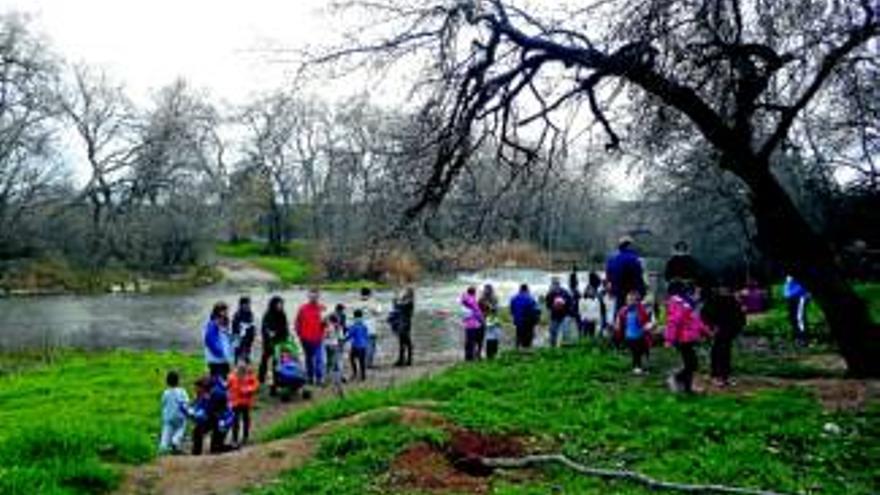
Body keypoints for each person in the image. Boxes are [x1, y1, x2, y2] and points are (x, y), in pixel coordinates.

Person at [664, 281, 710, 393]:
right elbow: (674, 322)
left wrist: (706, 332)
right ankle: (676, 378)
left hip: (689, 338)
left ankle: (687, 388)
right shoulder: (678, 303)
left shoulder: (687, 304)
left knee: (691, 364)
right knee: (691, 364)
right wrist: (670, 339)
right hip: (682, 339)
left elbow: (695, 321)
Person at [702, 283, 746, 387]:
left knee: (726, 352)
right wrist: (711, 327)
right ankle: (715, 376)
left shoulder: (733, 300)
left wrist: (739, 325)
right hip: (718, 330)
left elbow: (739, 315)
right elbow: (705, 315)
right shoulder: (713, 299)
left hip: (729, 330)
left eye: (726, 288)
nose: (724, 290)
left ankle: (725, 376)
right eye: (722, 288)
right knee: (717, 351)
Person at [186, 375, 233, 455]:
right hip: (211, 418)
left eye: (197, 388)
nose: (195, 390)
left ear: (202, 387)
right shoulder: (202, 395)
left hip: (221, 420)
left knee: (215, 449)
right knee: (197, 431)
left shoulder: (216, 394)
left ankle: (229, 446)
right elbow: (198, 406)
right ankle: (196, 452)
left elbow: (217, 409)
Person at [605, 236, 646, 316]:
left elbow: (609, 278)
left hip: (618, 293)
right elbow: (638, 276)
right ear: (629, 245)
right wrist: (642, 291)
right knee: (633, 315)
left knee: (619, 314)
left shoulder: (612, 259)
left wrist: (611, 291)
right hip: (632, 293)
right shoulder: (634, 259)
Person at [615, 290, 652, 374]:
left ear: (637, 301)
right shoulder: (623, 310)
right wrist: (618, 328)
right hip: (629, 336)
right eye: (628, 300)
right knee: (635, 352)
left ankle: (639, 365)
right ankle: (636, 366)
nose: (630, 301)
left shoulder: (641, 310)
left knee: (639, 351)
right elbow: (619, 321)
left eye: (633, 300)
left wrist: (648, 326)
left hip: (639, 335)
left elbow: (646, 320)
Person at [295, 289, 326, 385]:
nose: (314, 298)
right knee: (308, 359)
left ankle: (319, 378)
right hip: (305, 338)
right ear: (308, 297)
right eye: (312, 296)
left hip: (318, 338)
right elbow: (297, 322)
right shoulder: (302, 308)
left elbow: (326, 324)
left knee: (318, 359)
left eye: (316, 296)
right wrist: (299, 334)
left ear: (318, 297)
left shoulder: (322, 308)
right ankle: (310, 377)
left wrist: (325, 326)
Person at [227, 362, 259, 446]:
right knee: (235, 421)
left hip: (245, 403)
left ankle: (245, 437)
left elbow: (255, 386)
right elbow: (227, 387)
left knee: (246, 420)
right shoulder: (232, 377)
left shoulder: (250, 377)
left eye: (243, 372)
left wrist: (247, 390)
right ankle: (234, 439)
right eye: (239, 371)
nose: (241, 374)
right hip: (235, 403)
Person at [259, 296, 288, 384]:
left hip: (279, 342)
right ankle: (261, 378)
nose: (280, 306)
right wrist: (269, 336)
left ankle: (276, 380)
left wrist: (284, 339)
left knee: (277, 362)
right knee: (264, 360)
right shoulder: (268, 315)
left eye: (281, 304)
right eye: (278, 304)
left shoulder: (282, 314)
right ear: (274, 304)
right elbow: (264, 329)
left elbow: (285, 328)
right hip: (268, 342)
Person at [158, 370, 189, 454]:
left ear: (167, 382)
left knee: (166, 431)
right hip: (180, 416)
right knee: (181, 428)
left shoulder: (166, 392)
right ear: (178, 381)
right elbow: (186, 403)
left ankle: (163, 446)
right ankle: (175, 441)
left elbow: (163, 403)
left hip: (168, 417)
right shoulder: (182, 391)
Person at [204, 302, 233, 378]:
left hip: (223, 359)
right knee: (218, 382)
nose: (227, 312)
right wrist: (221, 353)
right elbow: (210, 342)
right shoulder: (212, 325)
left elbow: (226, 339)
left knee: (224, 380)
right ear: (219, 312)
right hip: (216, 360)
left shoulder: (224, 323)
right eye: (225, 311)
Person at [273, 335, 307, 400]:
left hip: (295, 374)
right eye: (284, 355)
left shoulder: (293, 359)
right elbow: (278, 366)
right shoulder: (281, 361)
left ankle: (301, 389)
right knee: (279, 373)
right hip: (285, 374)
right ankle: (285, 391)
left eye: (287, 354)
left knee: (300, 373)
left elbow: (297, 363)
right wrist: (279, 365)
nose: (286, 355)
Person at [545, 277, 574, 347]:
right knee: (553, 332)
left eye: (556, 284)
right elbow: (548, 305)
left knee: (565, 331)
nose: (555, 286)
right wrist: (553, 306)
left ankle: (565, 345)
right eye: (553, 284)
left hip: (565, 314)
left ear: (559, 285)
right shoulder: (550, 294)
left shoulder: (565, 292)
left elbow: (571, 302)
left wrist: (564, 305)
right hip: (554, 315)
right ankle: (553, 346)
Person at [357, 287, 382, 368]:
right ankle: (369, 363)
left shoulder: (358, 303)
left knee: (363, 345)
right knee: (371, 345)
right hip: (371, 328)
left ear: (361, 294)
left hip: (361, 327)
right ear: (369, 294)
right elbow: (378, 312)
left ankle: (363, 362)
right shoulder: (373, 302)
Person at [510, 284, 540, 349]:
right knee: (528, 337)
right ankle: (526, 350)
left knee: (518, 335)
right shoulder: (530, 298)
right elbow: (536, 310)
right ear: (527, 289)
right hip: (528, 321)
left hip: (518, 321)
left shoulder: (514, 298)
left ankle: (517, 348)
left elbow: (512, 310)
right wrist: (536, 320)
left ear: (520, 289)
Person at [391, 287, 415, 366]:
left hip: (405, 324)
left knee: (406, 342)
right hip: (402, 323)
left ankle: (408, 360)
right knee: (402, 342)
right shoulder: (406, 301)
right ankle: (402, 359)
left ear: (408, 293)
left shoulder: (409, 302)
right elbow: (396, 306)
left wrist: (395, 299)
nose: (403, 293)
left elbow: (398, 306)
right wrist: (396, 298)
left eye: (405, 292)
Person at [783, 276, 809, 346]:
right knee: (792, 317)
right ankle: (797, 337)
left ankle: (803, 338)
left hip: (801, 294)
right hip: (790, 295)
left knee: (799, 317)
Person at [461, 286, 484, 361]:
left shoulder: (464, 300)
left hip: (467, 324)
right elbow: (478, 313)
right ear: (474, 292)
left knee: (468, 341)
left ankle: (467, 356)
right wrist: (482, 320)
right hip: (474, 324)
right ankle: (471, 358)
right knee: (473, 341)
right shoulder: (473, 301)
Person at [231, 296, 256, 365]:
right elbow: (234, 328)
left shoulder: (250, 313)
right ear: (241, 305)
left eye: (249, 304)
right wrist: (241, 329)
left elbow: (252, 325)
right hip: (239, 338)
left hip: (248, 338)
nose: (248, 305)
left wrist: (253, 335)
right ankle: (237, 366)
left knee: (247, 353)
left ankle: (246, 365)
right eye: (246, 304)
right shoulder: (237, 315)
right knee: (238, 354)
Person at [347, 309, 370, 381]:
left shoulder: (354, 325)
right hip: (364, 346)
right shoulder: (364, 325)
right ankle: (363, 375)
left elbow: (350, 335)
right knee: (362, 361)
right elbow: (366, 335)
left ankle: (355, 373)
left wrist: (343, 340)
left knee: (352, 359)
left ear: (354, 316)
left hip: (356, 346)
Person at [324, 313, 347, 387]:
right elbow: (341, 338)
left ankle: (327, 377)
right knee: (337, 362)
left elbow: (323, 336)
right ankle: (339, 378)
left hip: (327, 345)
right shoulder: (338, 327)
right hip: (334, 345)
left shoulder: (327, 327)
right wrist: (342, 347)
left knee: (329, 361)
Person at [478, 284, 500, 358]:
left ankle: (489, 353)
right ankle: (492, 352)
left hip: (487, 317)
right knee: (492, 336)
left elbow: (479, 309)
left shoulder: (482, 298)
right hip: (491, 317)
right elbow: (495, 309)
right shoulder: (493, 298)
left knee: (489, 336)